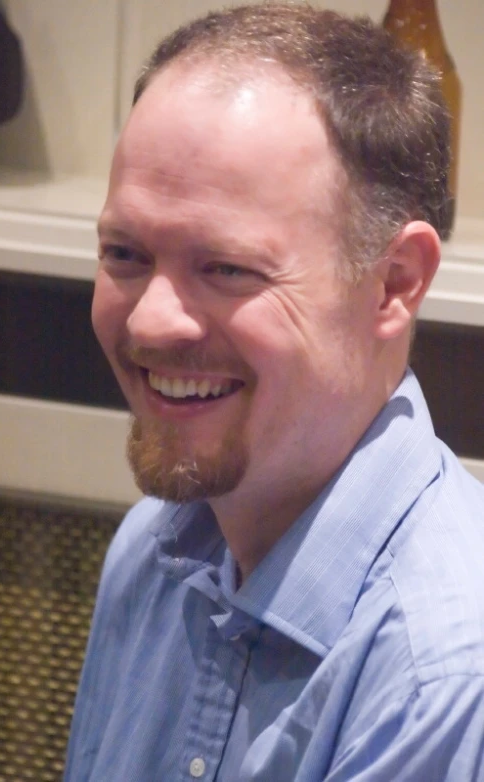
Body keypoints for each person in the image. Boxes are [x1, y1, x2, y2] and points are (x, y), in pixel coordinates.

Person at [64, 4, 484, 780]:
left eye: (226, 268)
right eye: (124, 252)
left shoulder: (443, 677)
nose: (151, 322)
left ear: (393, 284)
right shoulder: (150, 554)